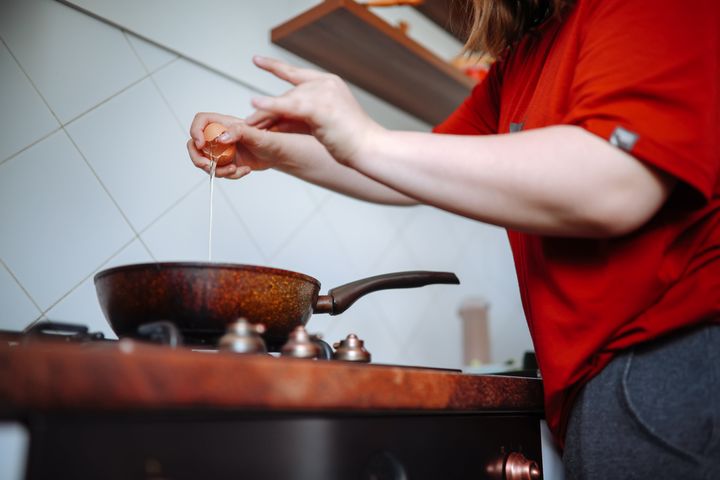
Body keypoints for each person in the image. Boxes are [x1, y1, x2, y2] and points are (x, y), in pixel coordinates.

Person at [187, 0, 720, 477]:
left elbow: (614, 182)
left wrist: (366, 139)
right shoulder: (521, 60)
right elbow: (408, 168)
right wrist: (272, 151)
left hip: (672, 363)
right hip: (602, 383)